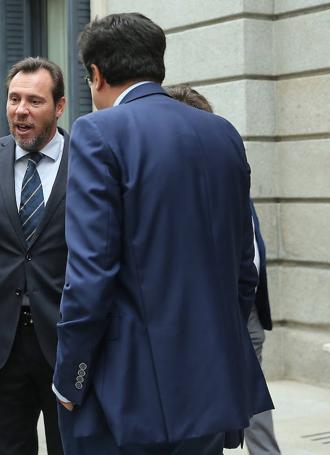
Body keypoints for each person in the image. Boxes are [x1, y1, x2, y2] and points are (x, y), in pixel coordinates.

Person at [53, 13, 273, 455]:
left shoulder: (97, 132)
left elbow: (91, 275)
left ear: (95, 75)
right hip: (214, 380)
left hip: (128, 391)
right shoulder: (222, 132)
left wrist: (70, 375)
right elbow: (243, 268)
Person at [0, 57, 68, 455]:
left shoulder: (89, 160)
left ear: (59, 107)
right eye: (14, 99)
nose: (20, 110)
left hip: (65, 344)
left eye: (34, 101)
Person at [166, 83, 281, 455]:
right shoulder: (172, 190)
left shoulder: (229, 176)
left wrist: (247, 306)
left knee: (254, 406)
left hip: (244, 315)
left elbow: (251, 251)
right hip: (202, 320)